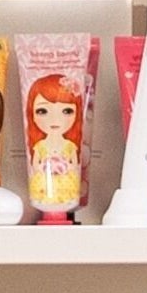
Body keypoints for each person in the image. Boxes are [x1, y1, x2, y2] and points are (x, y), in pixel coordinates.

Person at [23, 72, 85, 218]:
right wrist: (44, 168)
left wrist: (65, 168)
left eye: (67, 111)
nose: (55, 119)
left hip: (67, 184)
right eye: (42, 111)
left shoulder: (70, 145)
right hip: (42, 185)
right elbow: (35, 164)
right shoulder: (40, 146)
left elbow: (74, 164)